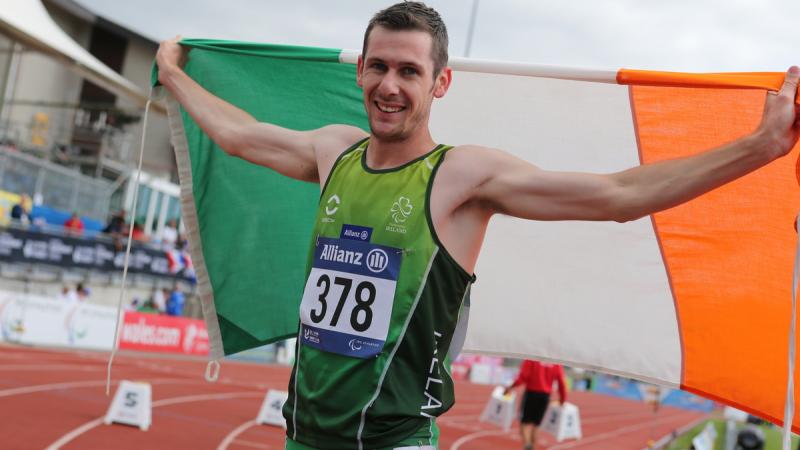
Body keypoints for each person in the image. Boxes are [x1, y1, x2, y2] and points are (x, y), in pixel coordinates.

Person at [156, 2, 799, 449]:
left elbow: (617, 194)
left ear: (441, 83)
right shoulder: (333, 152)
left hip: (394, 440)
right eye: (378, 66)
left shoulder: (462, 177)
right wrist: (174, 75)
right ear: (359, 72)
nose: (390, 84)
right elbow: (238, 137)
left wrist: (759, 147)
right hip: (304, 432)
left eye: (409, 70)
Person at [504, 360, 567, 450]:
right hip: (545, 396)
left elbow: (523, 376)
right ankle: (532, 447)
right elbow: (561, 382)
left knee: (524, 422)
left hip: (531, 393)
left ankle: (527, 445)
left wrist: (511, 387)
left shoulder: (532, 358)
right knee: (536, 424)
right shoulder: (555, 362)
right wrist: (562, 399)